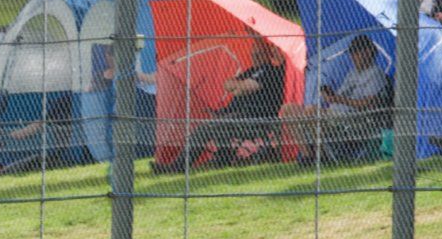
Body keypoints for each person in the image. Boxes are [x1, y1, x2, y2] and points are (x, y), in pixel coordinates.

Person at [152, 40, 288, 172]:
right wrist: (239, 86)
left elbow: (246, 87)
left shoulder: (271, 71)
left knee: (207, 128)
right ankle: (223, 159)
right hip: (239, 115)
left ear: (266, 55)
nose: (254, 57)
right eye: (253, 54)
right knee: (218, 123)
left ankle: (179, 166)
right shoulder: (251, 71)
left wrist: (239, 86)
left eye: (258, 54)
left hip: (257, 118)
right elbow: (228, 84)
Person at [280, 35, 388, 162]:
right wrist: (330, 95)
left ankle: (323, 156)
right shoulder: (353, 73)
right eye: (352, 52)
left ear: (368, 52)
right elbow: (341, 96)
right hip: (333, 115)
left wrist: (338, 99)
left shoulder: (375, 74)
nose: (353, 56)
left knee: (312, 111)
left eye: (356, 52)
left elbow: (367, 103)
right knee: (288, 109)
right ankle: (307, 156)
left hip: (355, 121)